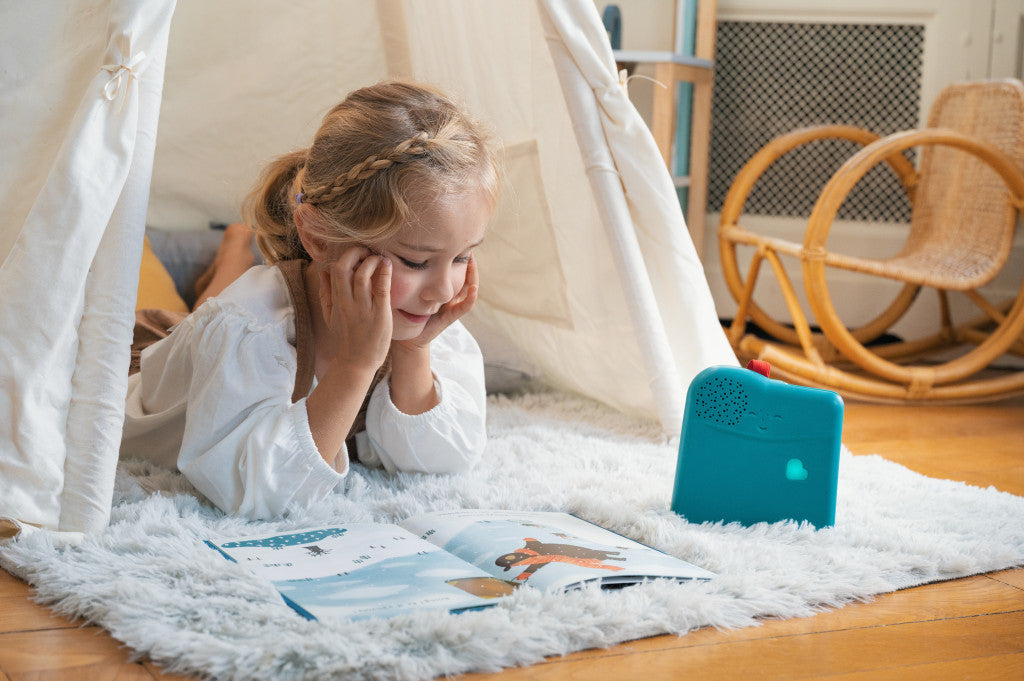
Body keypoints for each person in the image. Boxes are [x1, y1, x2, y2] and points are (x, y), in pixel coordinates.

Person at [121, 81, 499, 520]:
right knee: (202, 318)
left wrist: (413, 351)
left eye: (462, 257)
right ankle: (234, 254)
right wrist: (355, 366)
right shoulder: (247, 327)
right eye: (416, 262)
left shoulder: (418, 316)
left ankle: (233, 252)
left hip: (202, 337)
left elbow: (447, 459)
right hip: (143, 367)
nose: (445, 290)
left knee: (199, 316)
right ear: (316, 237)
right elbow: (255, 493)